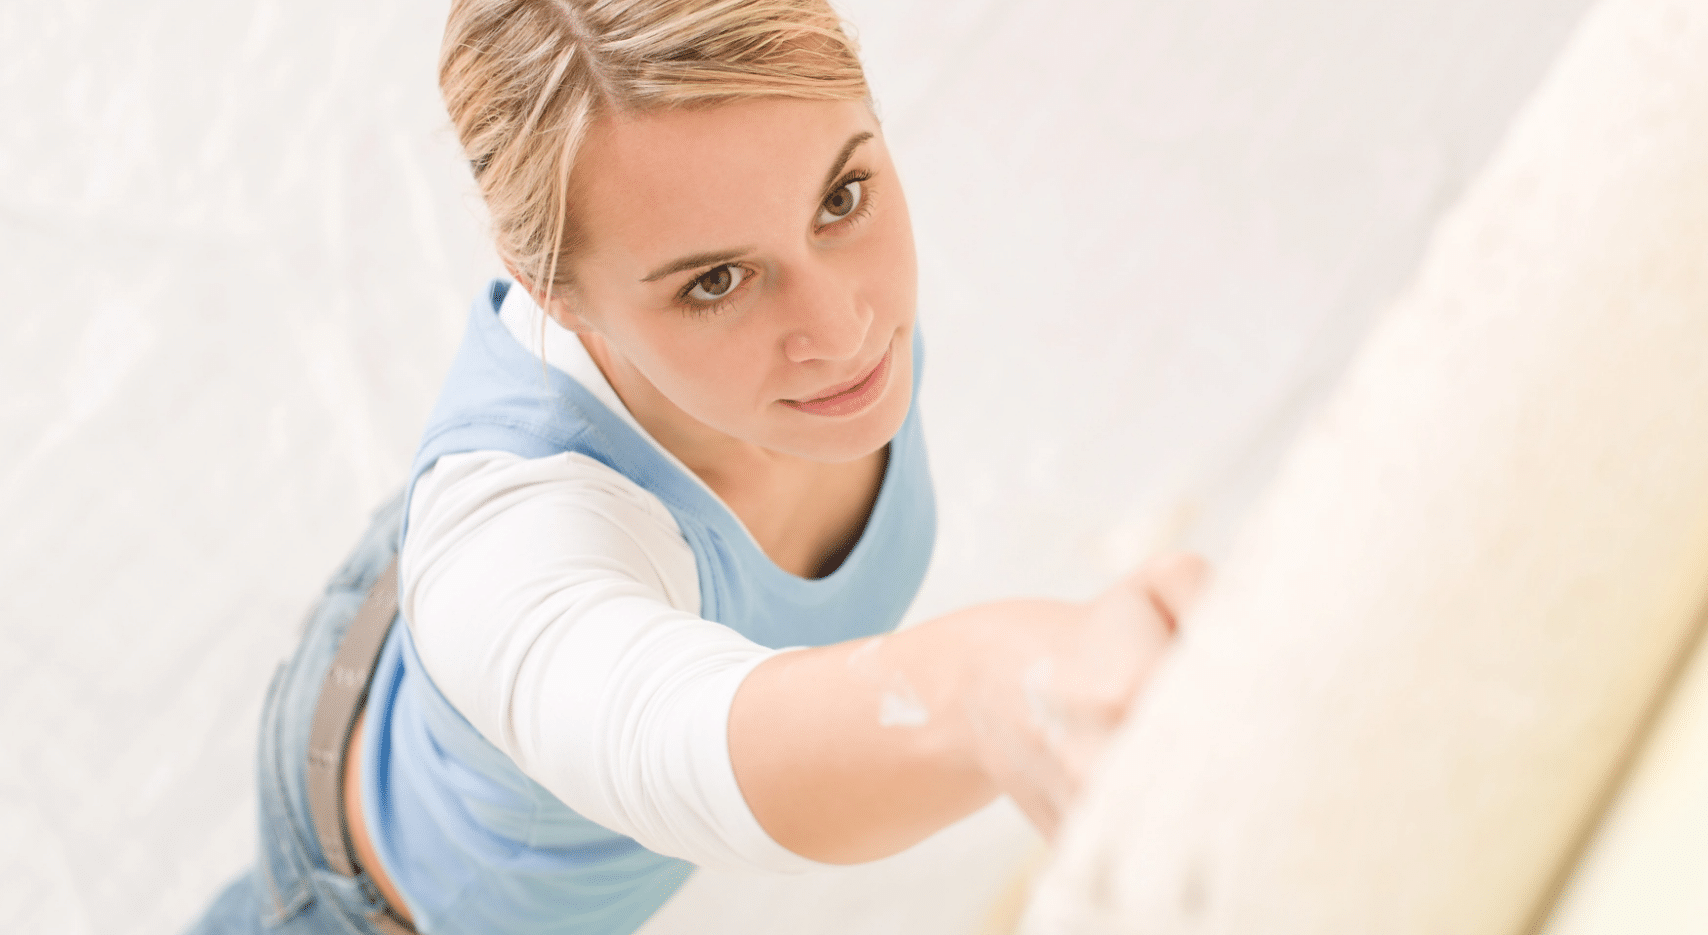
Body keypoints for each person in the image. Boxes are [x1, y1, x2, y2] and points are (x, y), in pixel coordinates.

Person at [182, 2, 1207, 934]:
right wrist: (988, 687)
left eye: (841, 196)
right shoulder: (509, 551)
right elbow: (666, 737)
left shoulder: (802, 314)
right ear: (556, 296)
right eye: (716, 281)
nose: (842, 326)